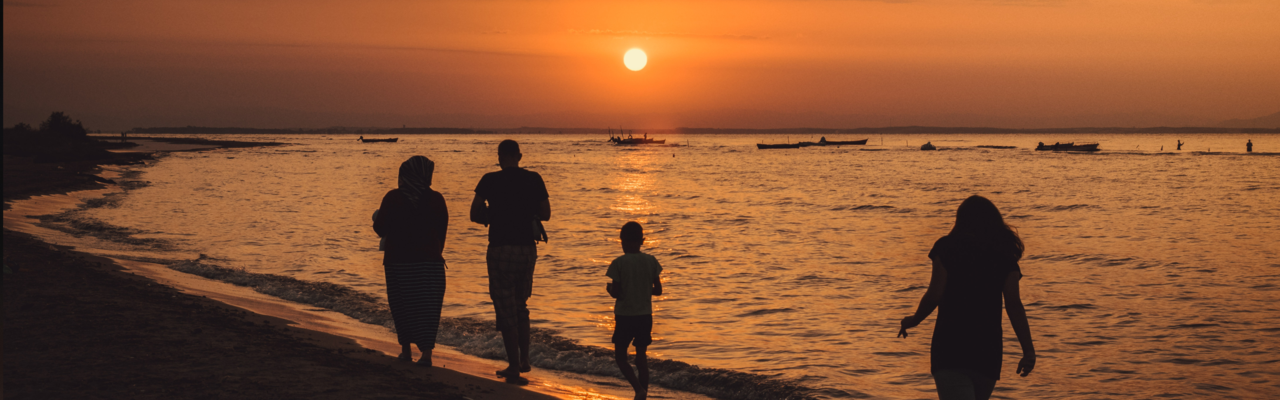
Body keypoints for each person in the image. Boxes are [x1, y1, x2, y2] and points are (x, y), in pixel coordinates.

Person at [898, 195, 1035, 400]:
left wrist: (914, 320)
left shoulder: (947, 247)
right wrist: (1028, 350)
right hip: (987, 352)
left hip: (950, 348)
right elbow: (1014, 305)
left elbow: (934, 294)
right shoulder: (1004, 255)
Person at [471, 140, 551, 384]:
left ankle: (514, 366)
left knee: (505, 307)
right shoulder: (534, 178)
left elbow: (474, 213)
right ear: (519, 156)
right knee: (520, 305)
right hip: (527, 249)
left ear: (499, 157)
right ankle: (525, 359)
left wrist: (491, 216)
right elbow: (546, 214)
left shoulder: (489, 180)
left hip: (500, 248)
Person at [373, 156, 449, 367]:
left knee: (401, 306)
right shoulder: (436, 199)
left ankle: (406, 351)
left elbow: (380, 228)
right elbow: (442, 233)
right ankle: (426, 354)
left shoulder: (393, 198)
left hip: (398, 262)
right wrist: (434, 252)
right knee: (428, 309)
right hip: (430, 263)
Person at [605, 222, 663, 400]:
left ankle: (638, 389)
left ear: (622, 241)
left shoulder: (619, 263)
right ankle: (643, 394)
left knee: (621, 358)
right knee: (641, 358)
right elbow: (658, 290)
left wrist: (609, 289)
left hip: (625, 317)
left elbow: (616, 293)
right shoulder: (651, 261)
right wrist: (643, 289)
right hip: (645, 316)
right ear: (642, 241)